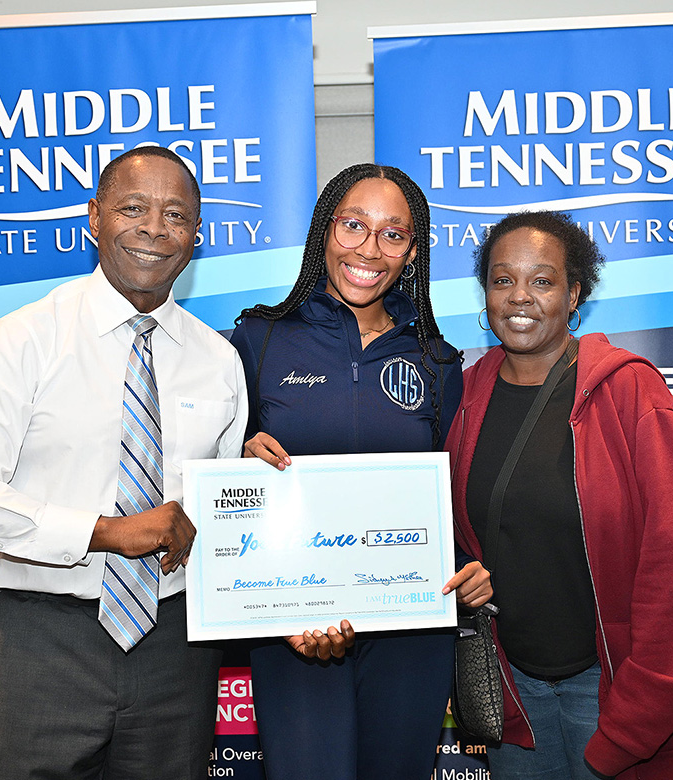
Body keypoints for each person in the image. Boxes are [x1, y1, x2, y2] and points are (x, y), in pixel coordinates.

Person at [0, 146, 248, 780]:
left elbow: (217, 518)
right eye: (133, 208)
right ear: (93, 218)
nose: (154, 228)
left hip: (174, 648)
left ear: (197, 236)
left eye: (176, 214)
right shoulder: (24, 339)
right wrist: (103, 532)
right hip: (40, 644)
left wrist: (258, 491)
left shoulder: (218, 360)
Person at [229, 163, 492, 780]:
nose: (369, 249)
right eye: (354, 225)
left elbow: (455, 492)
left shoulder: (436, 358)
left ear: (413, 250)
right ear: (325, 230)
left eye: (393, 233)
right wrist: (237, 458)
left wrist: (472, 565)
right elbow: (211, 471)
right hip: (293, 623)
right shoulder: (259, 340)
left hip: (409, 627)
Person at [445, 211, 673, 780]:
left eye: (542, 281)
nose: (520, 297)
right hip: (512, 696)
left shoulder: (630, 391)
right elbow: (439, 523)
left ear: (575, 295)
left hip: (614, 693)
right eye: (501, 279)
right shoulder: (464, 396)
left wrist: (636, 721)